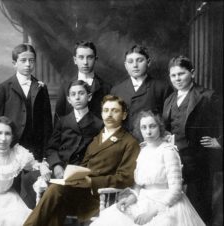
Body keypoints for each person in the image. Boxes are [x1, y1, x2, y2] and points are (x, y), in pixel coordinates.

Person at [24, 95, 140, 226]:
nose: (109, 114)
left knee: (56, 194)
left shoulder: (129, 142)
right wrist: (74, 177)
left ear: (124, 115)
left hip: (101, 197)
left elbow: (126, 178)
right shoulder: (97, 138)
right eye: (106, 110)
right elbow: (84, 166)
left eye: (115, 110)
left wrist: (92, 182)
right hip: (81, 193)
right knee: (56, 192)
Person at [91, 110, 205, 226]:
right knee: (111, 217)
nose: (148, 132)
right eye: (144, 128)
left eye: (152, 126)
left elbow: (176, 190)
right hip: (144, 201)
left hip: (166, 204)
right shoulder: (143, 151)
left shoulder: (168, 151)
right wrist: (131, 198)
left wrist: (151, 213)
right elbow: (139, 185)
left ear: (160, 128)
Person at [0, 43, 53, 207]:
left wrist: (45, 153)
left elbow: (47, 123)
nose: (28, 64)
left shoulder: (41, 87)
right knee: (11, 189)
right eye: (23, 60)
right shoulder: (4, 88)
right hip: (11, 147)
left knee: (32, 193)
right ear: (14, 63)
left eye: (31, 61)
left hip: (35, 148)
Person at [163, 55, 221, 224]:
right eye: (173, 75)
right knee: (175, 209)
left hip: (199, 162)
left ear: (192, 73)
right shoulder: (169, 100)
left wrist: (220, 141)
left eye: (181, 74)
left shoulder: (207, 96)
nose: (177, 79)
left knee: (198, 207)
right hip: (175, 161)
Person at [46, 80, 103, 179]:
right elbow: (51, 148)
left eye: (81, 93)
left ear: (89, 97)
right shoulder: (62, 121)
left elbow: (99, 154)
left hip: (83, 171)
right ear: (69, 100)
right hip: (61, 169)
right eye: (73, 94)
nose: (77, 97)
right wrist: (56, 165)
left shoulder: (98, 124)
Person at [111, 44, 172, 131]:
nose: (135, 65)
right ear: (125, 65)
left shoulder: (162, 88)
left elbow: (168, 121)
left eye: (139, 60)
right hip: (125, 141)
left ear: (148, 62)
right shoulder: (116, 90)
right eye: (130, 61)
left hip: (152, 141)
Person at [54, 40, 111, 123]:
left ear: (96, 59)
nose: (85, 62)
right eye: (81, 57)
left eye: (90, 57)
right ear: (75, 60)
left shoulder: (107, 88)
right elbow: (58, 119)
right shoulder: (65, 87)